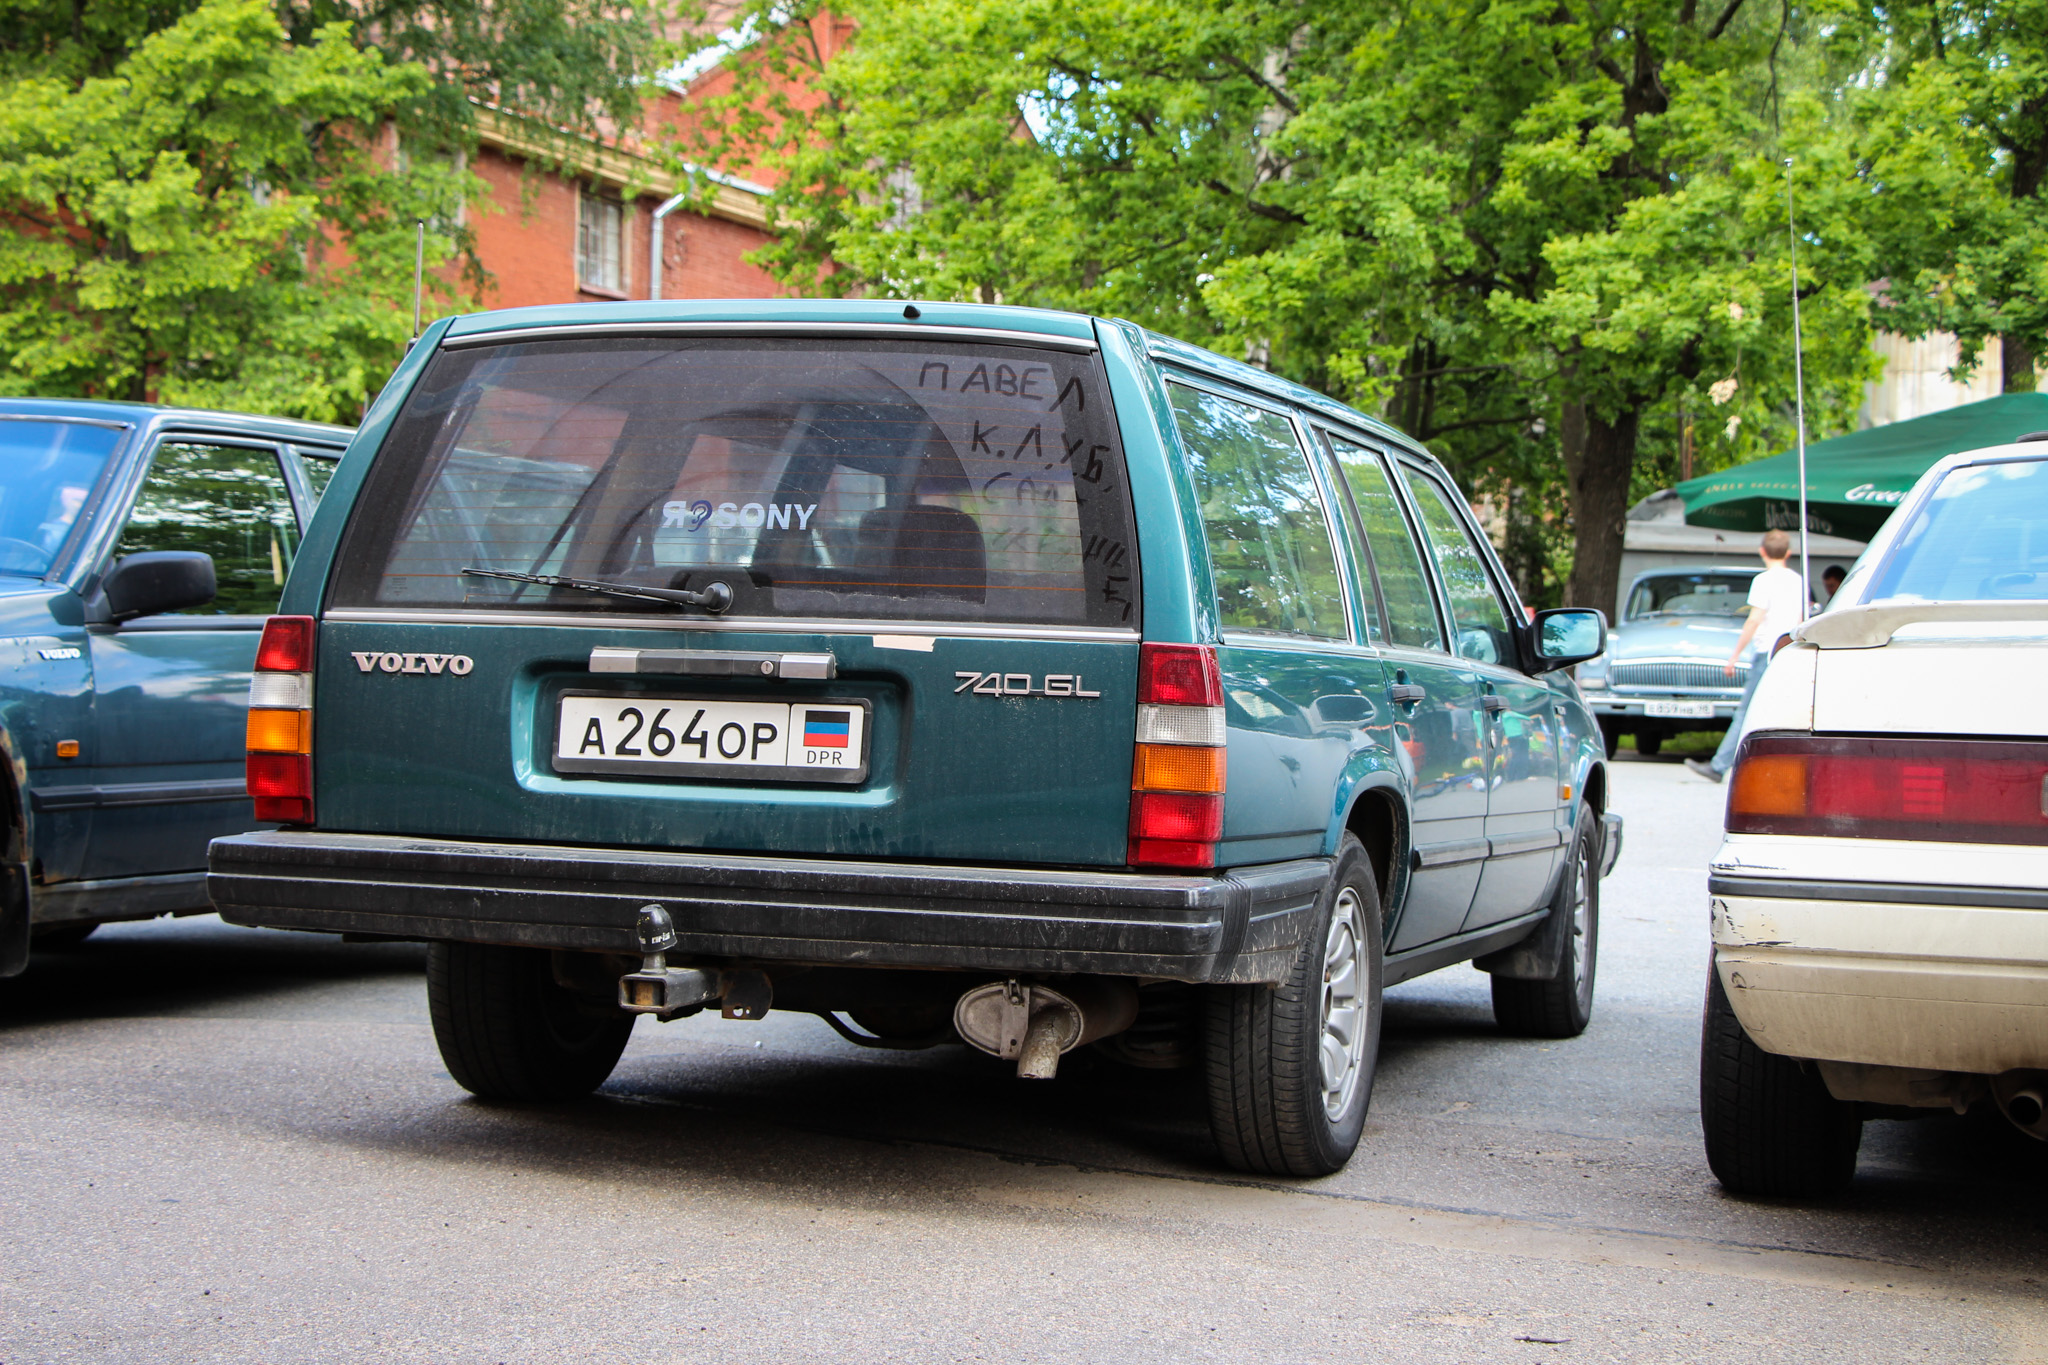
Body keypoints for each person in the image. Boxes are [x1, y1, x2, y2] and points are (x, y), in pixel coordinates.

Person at [1686, 529, 1806, 783]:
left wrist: (1735, 654)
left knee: (1746, 710)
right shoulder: (1798, 581)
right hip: (1788, 651)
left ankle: (1719, 766)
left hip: (1766, 652)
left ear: (1762, 551)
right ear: (1788, 553)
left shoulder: (1763, 580)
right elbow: (1800, 619)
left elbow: (1754, 619)